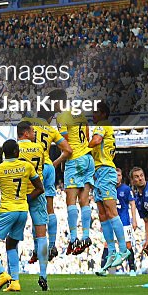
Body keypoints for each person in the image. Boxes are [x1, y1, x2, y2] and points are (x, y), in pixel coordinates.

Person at [0, 139, 43, 293]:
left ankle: (2, 274)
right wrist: (26, 199)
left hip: (7, 210)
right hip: (22, 211)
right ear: (15, 151)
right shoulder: (27, 166)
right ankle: (15, 282)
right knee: (11, 244)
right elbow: (39, 188)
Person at [23, 99, 72, 260]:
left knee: (35, 210)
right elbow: (67, 150)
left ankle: (37, 249)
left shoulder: (29, 126)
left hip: (33, 167)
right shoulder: (51, 130)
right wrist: (55, 163)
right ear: (50, 117)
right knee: (49, 209)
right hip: (48, 167)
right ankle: (51, 246)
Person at [89, 101, 129, 272]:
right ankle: (111, 252)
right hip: (98, 173)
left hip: (105, 171)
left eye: (96, 112)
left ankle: (123, 250)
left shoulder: (102, 126)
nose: (93, 115)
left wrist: (80, 148)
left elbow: (96, 141)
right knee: (103, 214)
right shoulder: (103, 126)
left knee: (111, 211)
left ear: (104, 114)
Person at [15, 121, 52, 291]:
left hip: (19, 195)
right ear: (26, 133)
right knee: (41, 234)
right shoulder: (39, 148)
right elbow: (41, 169)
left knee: (13, 236)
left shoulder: (13, 149)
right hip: (37, 194)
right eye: (32, 131)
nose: (34, 133)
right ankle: (43, 275)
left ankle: (13, 277)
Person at [57, 102, 94, 255]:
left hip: (75, 160)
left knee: (71, 201)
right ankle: (86, 236)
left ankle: (73, 239)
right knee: (84, 201)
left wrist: (60, 160)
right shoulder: (81, 116)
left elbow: (65, 142)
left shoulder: (62, 117)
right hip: (88, 158)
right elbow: (86, 136)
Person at [107, 167, 139, 276]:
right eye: (115, 175)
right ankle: (105, 268)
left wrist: (134, 220)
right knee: (107, 244)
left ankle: (132, 269)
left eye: (119, 175)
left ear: (121, 177)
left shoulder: (126, 189)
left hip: (124, 222)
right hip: (111, 222)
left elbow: (132, 204)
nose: (117, 177)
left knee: (127, 245)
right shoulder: (108, 189)